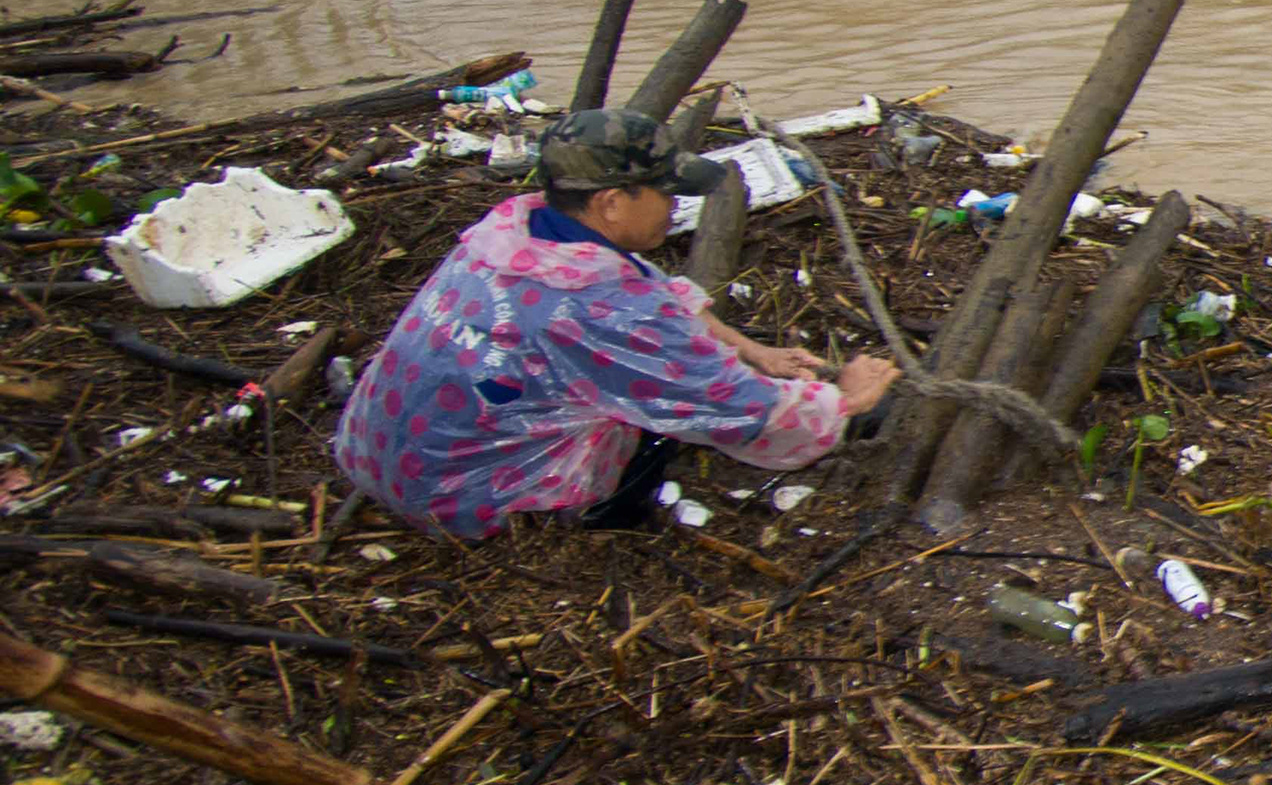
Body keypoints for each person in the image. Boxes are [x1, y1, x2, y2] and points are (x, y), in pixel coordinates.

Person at [332, 109, 895, 541]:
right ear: (610, 203)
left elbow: (652, 290)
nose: (675, 205)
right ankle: (604, 520)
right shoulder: (603, 310)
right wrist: (846, 401)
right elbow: (741, 409)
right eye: (663, 191)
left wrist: (755, 351)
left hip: (382, 452)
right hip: (460, 497)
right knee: (657, 425)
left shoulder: (514, 233)